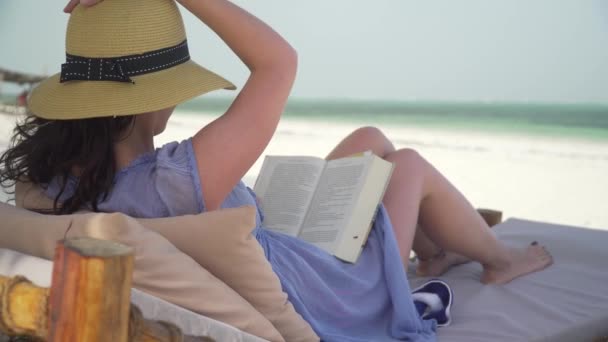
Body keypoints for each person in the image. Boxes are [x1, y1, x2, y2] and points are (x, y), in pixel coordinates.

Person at [0, 0, 552, 340]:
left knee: (369, 142)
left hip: (275, 252)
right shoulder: (173, 181)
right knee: (404, 165)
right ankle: (499, 261)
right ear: (151, 98)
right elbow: (278, 62)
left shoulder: (50, 183)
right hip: (325, 294)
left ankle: (434, 252)